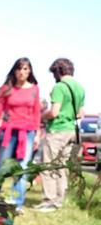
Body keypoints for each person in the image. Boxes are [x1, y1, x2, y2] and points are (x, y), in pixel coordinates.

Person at [0, 57, 41, 213]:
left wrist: (37, 134)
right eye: (19, 68)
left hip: (27, 132)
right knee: (2, 165)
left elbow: (36, 112)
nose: (22, 72)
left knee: (22, 167)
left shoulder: (34, 89)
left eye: (25, 69)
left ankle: (16, 202)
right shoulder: (7, 88)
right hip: (8, 131)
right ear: (14, 70)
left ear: (29, 71)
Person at [33, 58, 85, 212]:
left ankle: (49, 201)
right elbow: (80, 113)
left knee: (49, 165)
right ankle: (59, 200)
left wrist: (41, 116)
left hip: (57, 130)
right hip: (72, 131)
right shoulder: (80, 88)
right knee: (61, 166)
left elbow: (54, 112)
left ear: (58, 71)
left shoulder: (59, 87)